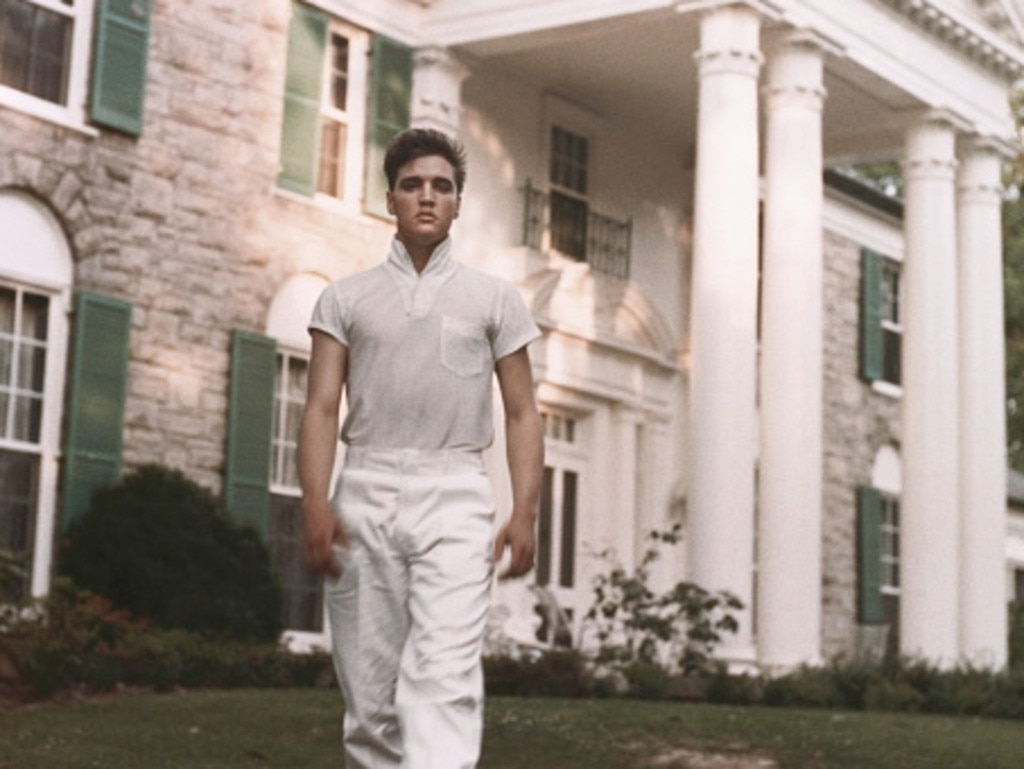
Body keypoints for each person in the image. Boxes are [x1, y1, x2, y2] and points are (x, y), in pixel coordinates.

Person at [298, 127, 544, 769]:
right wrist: (315, 506)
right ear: (391, 199)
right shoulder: (343, 298)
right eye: (412, 186)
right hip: (365, 492)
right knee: (372, 698)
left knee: (442, 682)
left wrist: (524, 512)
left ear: (459, 202)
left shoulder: (495, 299)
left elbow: (522, 412)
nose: (427, 197)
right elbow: (322, 407)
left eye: (442, 186)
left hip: (456, 495)